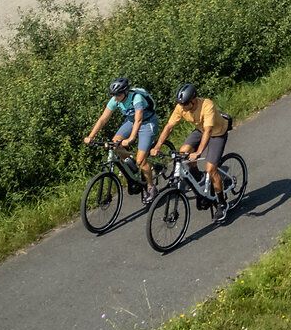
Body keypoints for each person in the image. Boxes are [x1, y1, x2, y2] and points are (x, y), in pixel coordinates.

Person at [151, 83, 234, 221]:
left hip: (217, 133)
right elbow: (169, 126)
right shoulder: (181, 106)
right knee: (183, 152)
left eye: (185, 105)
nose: (182, 108)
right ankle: (197, 176)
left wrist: (199, 151)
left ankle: (222, 203)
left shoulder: (207, 105)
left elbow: (209, 131)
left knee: (211, 169)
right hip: (200, 130)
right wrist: (158, 146)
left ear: (193, 101)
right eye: (181, 105)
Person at [82, 76, 158, 204]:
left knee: (141, 160)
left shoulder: (136, 98)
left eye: (118, 95)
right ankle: (131, 164)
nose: (115, 97)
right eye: (114, 95)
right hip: (131, 121)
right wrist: (91, 136)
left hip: (147, 123)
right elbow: (103, 119)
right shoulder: (115, 100)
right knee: (115, 143)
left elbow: (139, 119)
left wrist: (131, 139)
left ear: (125, 92)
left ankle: (151, 187)